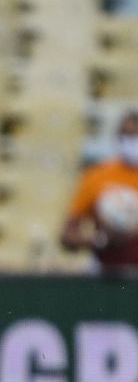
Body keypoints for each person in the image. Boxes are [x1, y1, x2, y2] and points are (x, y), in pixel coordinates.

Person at [61, 109, 138, 275]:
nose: (132, 142)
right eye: (127, 135)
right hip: (106, 269)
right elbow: (67, 236)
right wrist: (100, 240)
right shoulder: (98, 176)